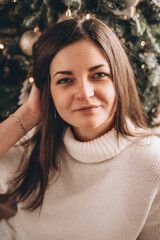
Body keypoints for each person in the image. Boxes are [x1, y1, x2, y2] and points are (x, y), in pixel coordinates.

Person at [0, 17, 160, 240]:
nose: (85, 93)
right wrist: (28, 114)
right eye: (65, 80)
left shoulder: (151, 161)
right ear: (48, 91)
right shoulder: (36, 141)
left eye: (99, 75)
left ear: (119, 79)